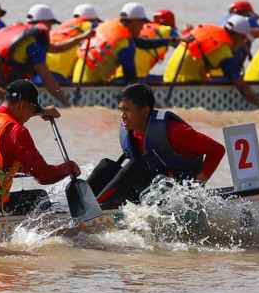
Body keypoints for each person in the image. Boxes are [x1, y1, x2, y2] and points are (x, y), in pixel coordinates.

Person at [90, 83, 227, 210]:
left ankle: (95, 210)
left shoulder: (174, 131)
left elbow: (217, 149)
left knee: (134, 167)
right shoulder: (130, 132)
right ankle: (82, 207)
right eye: (120, 110)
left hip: (174, 197)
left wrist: (197, 185)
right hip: (149, 192)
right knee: (106, 165)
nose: (122, 116)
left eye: (127, 110)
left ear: (144, 111)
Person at [0, 81, 80, 213]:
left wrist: (40, 112)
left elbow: (1, 119)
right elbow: (45, 176)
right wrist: (70, 166)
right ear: (22, 105)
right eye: (32, 110)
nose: (28, 118)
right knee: (40, 197)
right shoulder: (17, 132)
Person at [159, 14, 259, 106]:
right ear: (237, 35)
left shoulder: (208, 28)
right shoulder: (223, 50)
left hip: (168, 78)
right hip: (185, 87)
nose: (243, 42)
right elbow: (242, 87)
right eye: (244, 38)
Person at [0, 5, 72, 104]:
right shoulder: (33, 44)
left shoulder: (11, 31)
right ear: (46, 23)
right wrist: (68, 105)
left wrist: (79, 38)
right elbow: (48, 80)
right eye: (51, 24)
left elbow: (55, 48)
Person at [78, 3, 177, 85]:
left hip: (78, 77)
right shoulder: (126, 44)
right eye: (142, 23)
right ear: (135, 21)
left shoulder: (110, 25)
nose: (143, 28)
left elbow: (142, 43)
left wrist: (170, 40)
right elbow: (131, 80)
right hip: (91, 84)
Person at [46, 4, 103, 81]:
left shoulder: (66, 26)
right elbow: (106, 27)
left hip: (43, 66)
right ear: (94, 20)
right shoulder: (88, 25)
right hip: (59, 71)